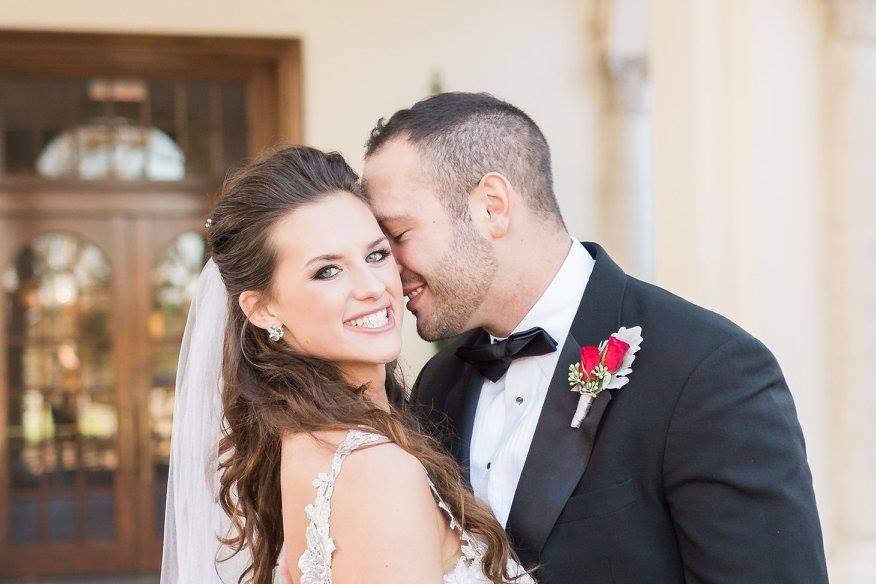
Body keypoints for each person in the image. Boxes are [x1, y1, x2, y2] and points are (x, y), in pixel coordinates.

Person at [361, 92, 829, 583]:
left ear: (491, 207)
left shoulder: (708, 371)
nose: (388, 269)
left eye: (397, 233)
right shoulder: (441, 381)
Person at [160, 146, 535, 584]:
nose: (373, 287)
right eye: (327, 272)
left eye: (376, 255)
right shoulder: (377, 471)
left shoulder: (305, 439)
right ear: (262, 309)